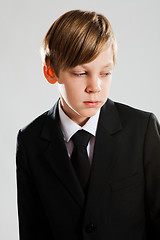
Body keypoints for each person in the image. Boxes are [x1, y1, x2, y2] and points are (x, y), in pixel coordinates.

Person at [16, 9, 160, 240]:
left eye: (105, 73)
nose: (95, 86)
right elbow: (32, 228)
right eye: (81, 73)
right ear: (51, 71)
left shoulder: (142, 129)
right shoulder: (30, 140)